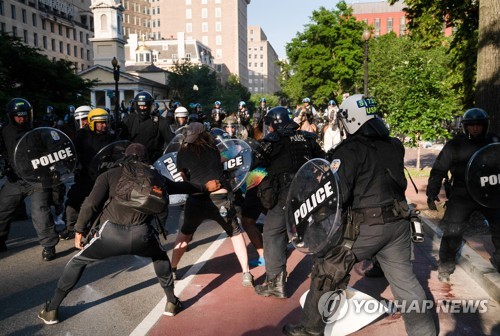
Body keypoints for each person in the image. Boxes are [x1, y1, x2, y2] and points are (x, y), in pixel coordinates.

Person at [283, 94, 436, 336]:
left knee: (327, 271)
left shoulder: (350, 150)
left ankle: (310, 329)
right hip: (397, 225)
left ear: (351, 120)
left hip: (365, 228)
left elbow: (338, 195)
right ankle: (424, 332)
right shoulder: (394, 145)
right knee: (407, 284)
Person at [37, 143, 222, 325]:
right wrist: (205, 188)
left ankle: (52, 309)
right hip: (142, 235)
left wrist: (79, 229)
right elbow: (182, 188)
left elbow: (90, 205)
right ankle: (172, 302)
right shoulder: (154, 176)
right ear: (145, 158)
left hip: (109, 235)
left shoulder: (108, 175)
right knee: (160, 257)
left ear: (124, 156)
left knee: (78, 261)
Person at [170, 122, 254, 287]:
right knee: (235, 233)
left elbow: (184, 178)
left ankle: (172, 270)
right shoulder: (214, 149)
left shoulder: (182, 153)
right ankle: (246, 273)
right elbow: (227, 159)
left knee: (185, 233)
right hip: (220, 198)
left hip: (196, 198)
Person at [253, 106, 324, 299]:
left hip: (284, 194)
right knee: (310, 231)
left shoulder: (271, 142)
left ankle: (275, 283)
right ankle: (325, 274)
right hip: (308, 192)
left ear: (275, 123)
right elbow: (322, 161)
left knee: (272, 234)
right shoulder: (307, 138)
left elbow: (255, 167)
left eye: (269, 124)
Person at [426, 108, 500, 282]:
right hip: (462, 194)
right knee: (453, 230)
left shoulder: (494, 141)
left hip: (489, 193)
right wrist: (432, 192)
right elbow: (439, 169)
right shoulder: (455, 145)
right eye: (471, 125)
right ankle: (445, 266)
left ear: (485, 125)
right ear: (465, 126)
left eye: (478, 125)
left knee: (499, 228)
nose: (475, 128)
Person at [0, 98, 59, 260]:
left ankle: (48, 245)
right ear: (11, 116)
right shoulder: (5, 131)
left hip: (37, 178)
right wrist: (4, 166)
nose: (22, 118)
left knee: (40, 211)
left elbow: (54, 149)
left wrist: (51, 166)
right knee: (3, 208)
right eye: (18, 116)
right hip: (15, 178)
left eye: (25, 115)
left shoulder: (40, 129)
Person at [59, 108, 117, 240]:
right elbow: (71, 153)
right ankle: (71, 227)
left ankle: (95, 228)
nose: (104, 125)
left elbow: (119, 151)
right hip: (85, 175)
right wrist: (76, 165)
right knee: (73, 198)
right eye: (100, 122)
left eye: (106, 122)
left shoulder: (112, 136)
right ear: (91, 123)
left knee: (98, 203)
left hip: (104, 176)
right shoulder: (82, 135)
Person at [121, 91, 174, 163]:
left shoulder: (160, 121)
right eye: (140, 106)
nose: (142, 108)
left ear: (150, 105)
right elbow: (120, 141)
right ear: (136, 105)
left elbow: (172, 141)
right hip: (132, 162)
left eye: (145, 106)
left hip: (154, 162)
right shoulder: (129, 120)